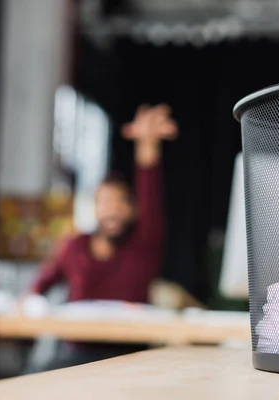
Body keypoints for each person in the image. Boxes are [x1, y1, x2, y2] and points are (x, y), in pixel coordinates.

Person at [26, 104, 177, 371]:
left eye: (121, 202)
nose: (113, 209)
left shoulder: (143, 245)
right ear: (94, 208)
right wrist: (30, 304)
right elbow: (38, 288)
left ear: (132, 210)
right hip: (74, 358)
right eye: (105, 202)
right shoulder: (74, 246)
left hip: (130, 360)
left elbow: (149, 193)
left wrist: (147, 143)